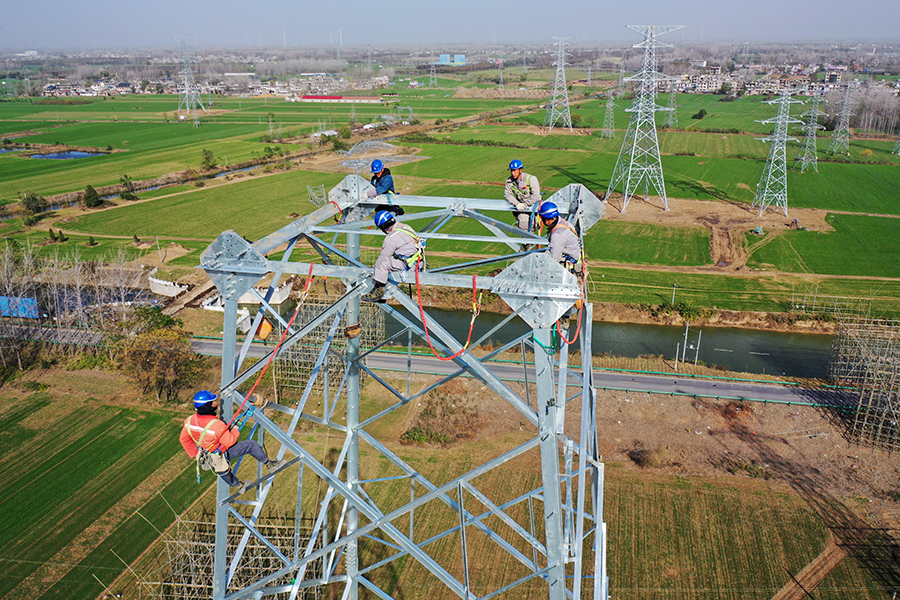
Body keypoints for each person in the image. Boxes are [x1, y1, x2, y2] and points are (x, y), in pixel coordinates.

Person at [179, 390, 284, 493]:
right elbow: (230, 441)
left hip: (206, 455)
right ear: (207, 406)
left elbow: (184, 439)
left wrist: (196, 453)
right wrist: (235, 429)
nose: (216, 403)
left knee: (221, 469)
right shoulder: (216, 424)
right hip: (221, 452)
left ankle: (238, 485)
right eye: (212, 402)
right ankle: (270, 464)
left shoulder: (189, 421)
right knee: (251, 445)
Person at [363, 210, 422, 303]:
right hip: (417, 262)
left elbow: (384, 256)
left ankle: (380, 290)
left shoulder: (392, 237)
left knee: (382, 263)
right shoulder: (405, 227)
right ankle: (386, 288)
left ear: (383, 227)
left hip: (409, 266)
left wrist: (376, 271)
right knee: (390, 262)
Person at [537, 202, 583, 277]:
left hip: (569, 271)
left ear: (546, 220)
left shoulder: (557, 235)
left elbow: (554, 258)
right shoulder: (565, 223)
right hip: (575, 262)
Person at [504, 159, 541, 230]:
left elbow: (535, 195)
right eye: (511, 170)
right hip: (521, 205)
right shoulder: (510, 181)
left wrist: (525, 204)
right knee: (523, 226)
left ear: (520, 170)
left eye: (515, 170)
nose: (512, 173)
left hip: (534, 205)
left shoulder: (531, 179)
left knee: (532, 225)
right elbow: (507, 194)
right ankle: (526, 240)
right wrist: (517, 204)